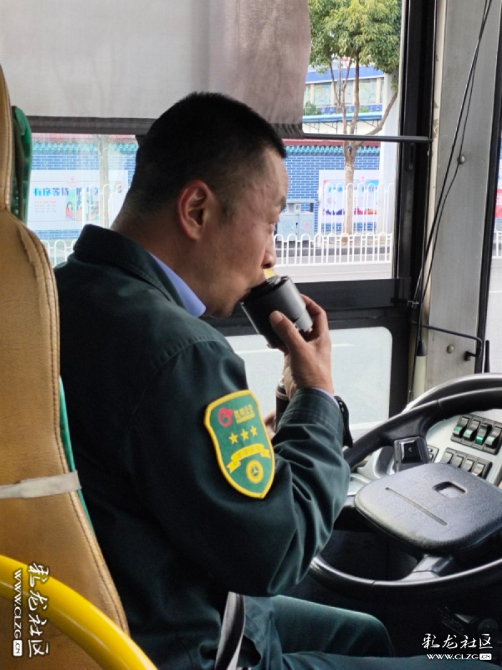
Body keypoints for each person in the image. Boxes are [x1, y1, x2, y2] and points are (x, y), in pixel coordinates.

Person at [55, 92, 493, 670]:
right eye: (270, 223)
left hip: (142, 609)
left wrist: (293, 407)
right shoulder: (180, 352)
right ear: (197, 210)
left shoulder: (63, 292)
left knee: (365, 633)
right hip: (188, 648)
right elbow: (277, 551)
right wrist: (316, 397)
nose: (271, 255)